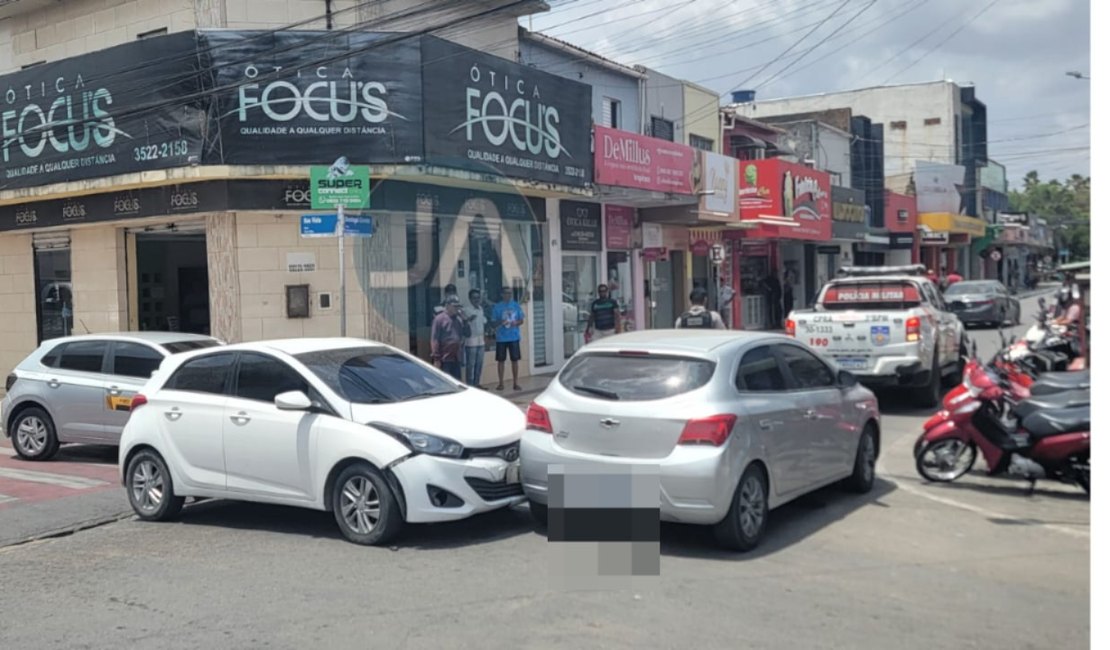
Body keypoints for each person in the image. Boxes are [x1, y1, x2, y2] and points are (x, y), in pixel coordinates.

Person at [491, 287, 524, 391]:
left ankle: (515, 383)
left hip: (513, 337)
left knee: (515, 360)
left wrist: (516, 323)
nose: (508, 295)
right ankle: (501, 383)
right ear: (502, 294)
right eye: (506, 293)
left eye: (510, 293)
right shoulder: (497, 307)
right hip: (501, 338)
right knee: (501, 360)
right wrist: (502, 321)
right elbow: (493, 322)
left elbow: (521, 320)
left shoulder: (515, 305)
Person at [430, 296, 469, 381]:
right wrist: (436, 358)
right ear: (447, 306)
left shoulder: (458, 319)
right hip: (444, 358)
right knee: (445, 382)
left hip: (456, 357)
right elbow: (435, 339)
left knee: (457, 382)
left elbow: (468, 334)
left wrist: (465, 320)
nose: (457, 308)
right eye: (454, 306)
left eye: (458, 306)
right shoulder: (439, 319)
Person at [462, 289, 487, 387]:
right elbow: (464, 322)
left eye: (478, 297)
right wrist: (468, 319)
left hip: (481, 340)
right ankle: (470, 385)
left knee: (479, 364)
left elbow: (483, 322)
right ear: (470, 299)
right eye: (474, 298)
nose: (476, 300)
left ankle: (477, 384)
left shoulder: (480, 309)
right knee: (470, 365)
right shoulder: (466, 309)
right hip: (471, 341)